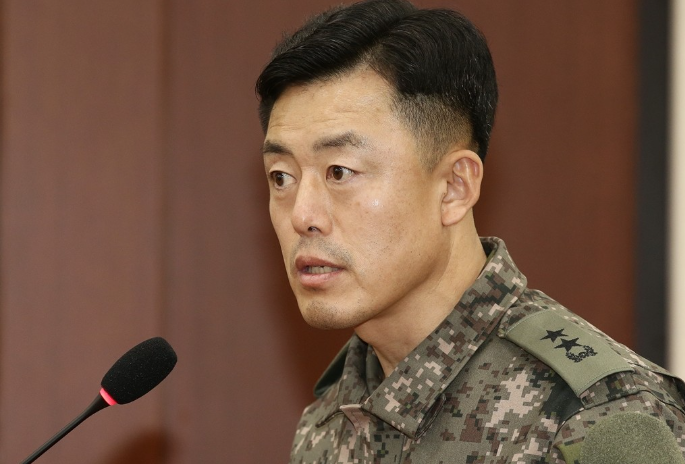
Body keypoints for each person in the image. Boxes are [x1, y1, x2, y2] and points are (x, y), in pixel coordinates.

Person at [255, 0, 685, 462]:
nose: (302, 214)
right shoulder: (326, 425)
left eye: (339, 171)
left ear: (454, 188)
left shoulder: (598, 419)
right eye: (281, 176)